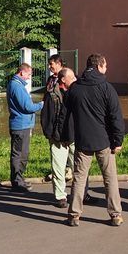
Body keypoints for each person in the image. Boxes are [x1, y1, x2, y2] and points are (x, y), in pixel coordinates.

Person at [64, 54, 125, 227]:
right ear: (99, 66)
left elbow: (66, 115)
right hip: (104, 141)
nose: (106, 69)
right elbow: (116, 117)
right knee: (110, 178)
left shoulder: (75, 88)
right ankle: (116, 215)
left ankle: (74, 215)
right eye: (105, 66)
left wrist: (68, 137)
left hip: (82, 141)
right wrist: (118, 140)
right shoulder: (106, 88)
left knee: (79, 178)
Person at [41, 55, 74, 207]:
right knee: (58, 166)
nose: (49, 67)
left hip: (74, 133)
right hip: (56, 133)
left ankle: (82, 193)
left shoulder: (75, 87)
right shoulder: (51, 85)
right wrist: (48, 130)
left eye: (51, 64)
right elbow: (46, 110)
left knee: (79, 166)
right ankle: (61, 196)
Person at [6, 62, 43, 192]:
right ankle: (17, 182)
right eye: (28, 74)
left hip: (21, 124)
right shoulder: (17, 86)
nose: (29, 77)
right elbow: (27, 107)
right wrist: (42, 105)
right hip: (20, 125)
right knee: (19, 154)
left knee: (22, 153)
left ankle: (19, 179)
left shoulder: (16, 85)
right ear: (22, 72)